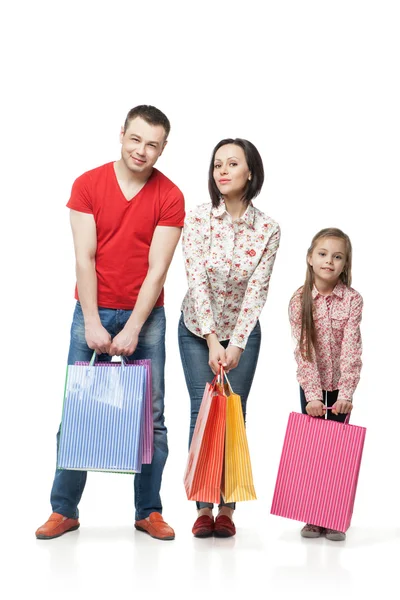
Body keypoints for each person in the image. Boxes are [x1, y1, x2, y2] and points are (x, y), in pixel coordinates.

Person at [35, 105, 185, 541]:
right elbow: (85, 257)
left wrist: (134, 327)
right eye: (135, 139)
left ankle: (149, 511)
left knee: (152, 419)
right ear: (122, 134)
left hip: (146, 316)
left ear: (162, 148)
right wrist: (93, 322)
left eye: (152, 144)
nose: (142, 151)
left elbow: (158, 269)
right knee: (76, 410)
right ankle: (63, 510)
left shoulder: (169, 196)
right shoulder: (87, 185)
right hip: (92, 312)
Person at [178, 138, 280, 538]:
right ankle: (203, 506)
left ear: (249, 172)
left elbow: (258, 289)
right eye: (217, 163)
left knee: (233, 412)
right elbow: (197, 280)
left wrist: (235, 342)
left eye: (232, 163)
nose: (222, 170)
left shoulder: (269, 229)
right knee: (200, 412)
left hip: (242, 335)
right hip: (196, 330)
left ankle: (228, 508)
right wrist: (211, 339)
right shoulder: (198, 218)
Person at [289, 227, 363, 541]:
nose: (329, 261)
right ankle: (312, 515)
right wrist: (312, 396)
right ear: (310, 258)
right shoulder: (298, 300)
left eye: (337, 256)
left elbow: (351, 347)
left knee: (337, 453)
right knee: (314, 451)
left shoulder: (353, 300)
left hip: (339, 387)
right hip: (313, 388)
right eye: (322, 254)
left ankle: (333, 515)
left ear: (345, 264)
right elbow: (303, 351)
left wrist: (345, 393)